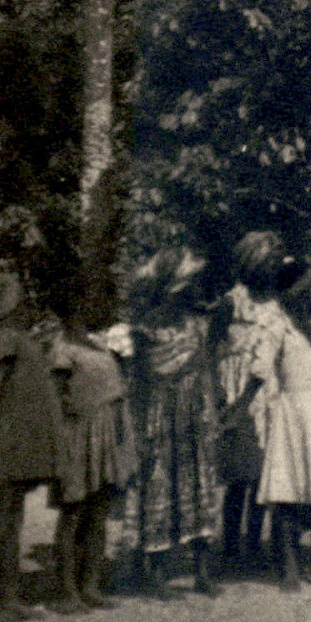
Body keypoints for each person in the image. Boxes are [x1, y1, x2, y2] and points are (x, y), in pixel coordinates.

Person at [127, 248, 224, 599]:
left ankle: (202, 571)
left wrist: (210, 412)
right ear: (175, 286)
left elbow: (207, 370)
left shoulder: (198, 324)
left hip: (194, 417)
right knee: (160, 488)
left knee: (200, 488)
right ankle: (157, 574)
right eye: (190, 283)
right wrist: (140, 431)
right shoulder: (145, 329)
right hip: (160, 418)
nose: (196, 289)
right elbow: (137, 382)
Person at [249, 260, 311, 591]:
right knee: (289, 492)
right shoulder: (278, 327)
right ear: (290, 294)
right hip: (292, 417)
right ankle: (289, 567)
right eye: (307, 291)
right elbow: (259, 371)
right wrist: (238, 410)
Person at [0, 264, 62, 622]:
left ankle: (9, 597)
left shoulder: (15, 334)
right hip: (6, 445)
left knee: (13, 524)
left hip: (18, 446)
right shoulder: (5, 336)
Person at [47, 319, 136, 613]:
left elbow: (119, 393)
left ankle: (91, 585)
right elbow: (56, 399)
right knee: (74, 513)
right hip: (77, 437)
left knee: (99, 513)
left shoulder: (102, 343)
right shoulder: (63, 346)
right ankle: (67, 591)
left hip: (107, 435)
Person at [211, 230, 286, 572]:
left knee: (260, 474)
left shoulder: (276, 304)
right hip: (235, 390)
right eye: (264, 263)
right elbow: (211, 349)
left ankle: (254, 542)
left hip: (266, 391)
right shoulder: (232, 301)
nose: (270, 270)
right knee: (237, 475)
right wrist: (218, 396)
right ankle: (229, 544)